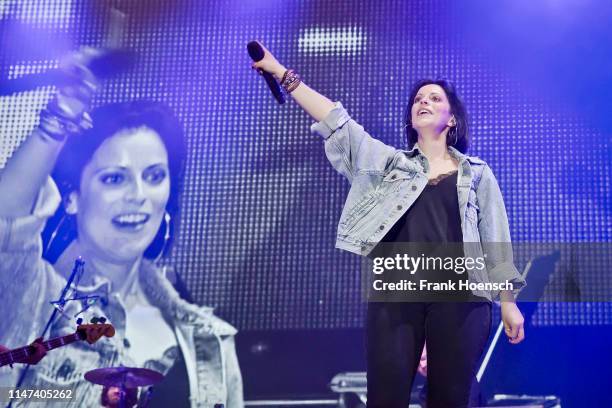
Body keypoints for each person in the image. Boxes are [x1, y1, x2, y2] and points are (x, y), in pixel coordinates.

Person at [251, 42, 526, 407]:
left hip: (461, 297)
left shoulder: (476, 173)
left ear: (453, 119)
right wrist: (282, 74)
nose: (423, 102)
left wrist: (508, 302)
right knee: (384, 399)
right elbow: (337, 123)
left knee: (451, 400)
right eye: (417, 100)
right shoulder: (389, 164)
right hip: (397, 294)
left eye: (434, 98)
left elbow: (496, 242)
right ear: (411, 119)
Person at [0, 51, 243, 407]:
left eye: (155, 177)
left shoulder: (209, 339)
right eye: (115, 178)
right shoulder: (35, 297)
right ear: (73, 198)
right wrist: (58, 120)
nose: (138, 196)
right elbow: (6, 221)